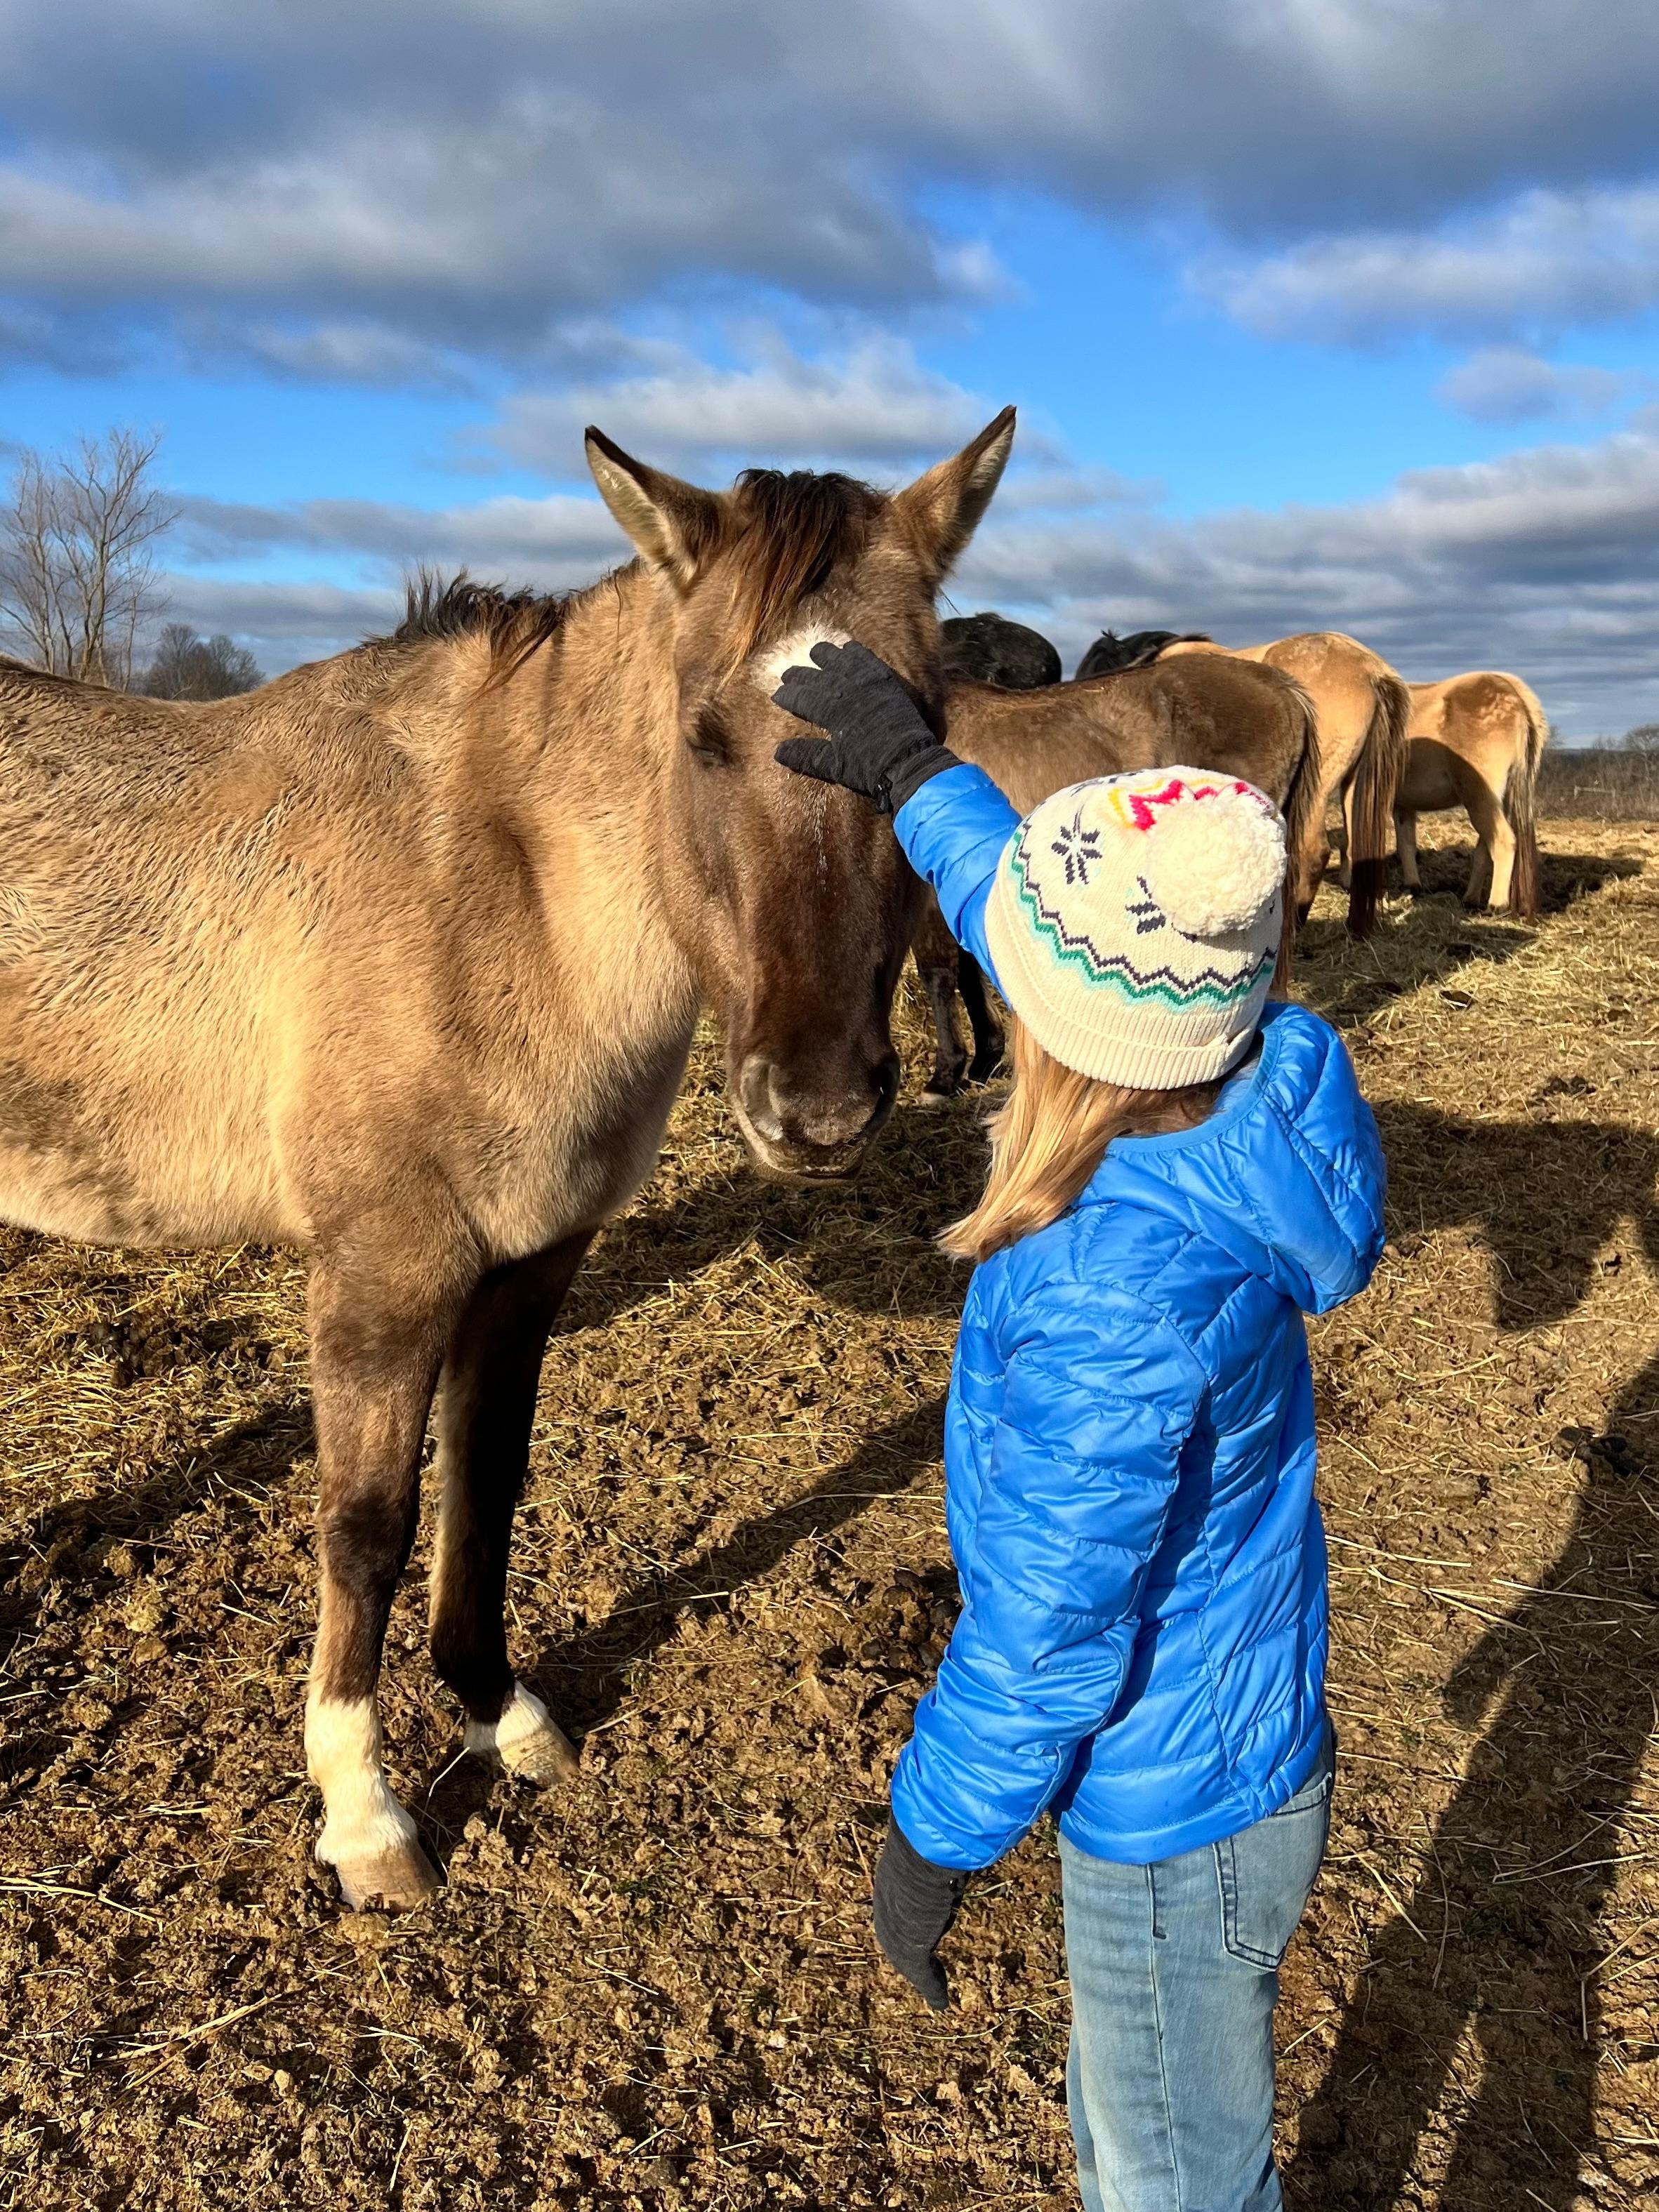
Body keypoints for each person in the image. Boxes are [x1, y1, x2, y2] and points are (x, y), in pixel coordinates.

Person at [771, 641, 1386, 2212]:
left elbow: (1048, 1628)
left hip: (1170, 1816)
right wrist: (914, 772)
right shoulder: (1243, 1087)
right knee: (1143, 2132)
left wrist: (931, 1840)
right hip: (1232, 1732)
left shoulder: (1107, 1294)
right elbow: (1027, 906)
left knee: (1173, 2180)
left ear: (1055, 1020)